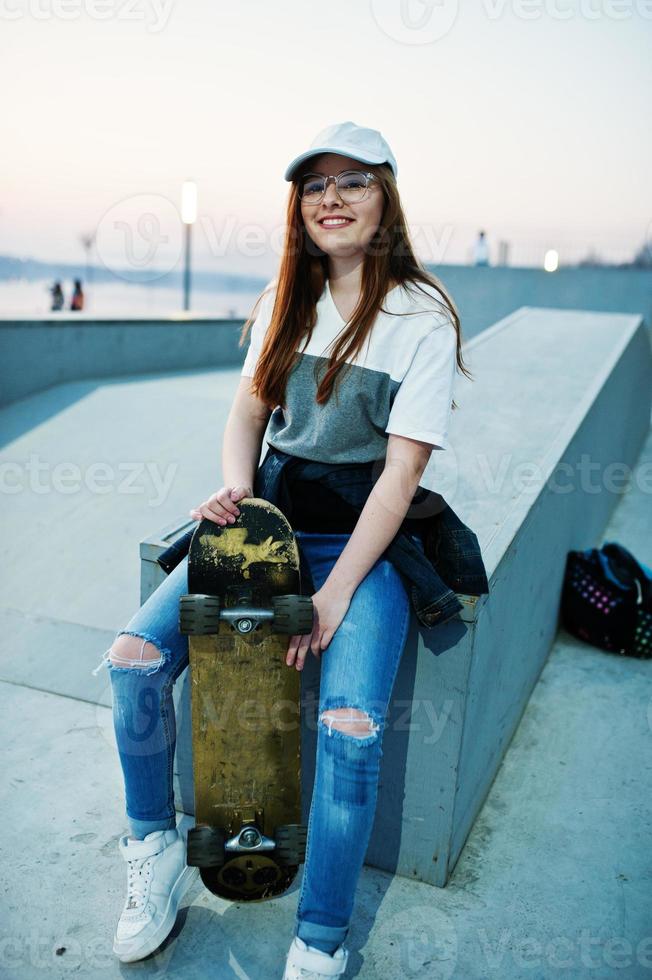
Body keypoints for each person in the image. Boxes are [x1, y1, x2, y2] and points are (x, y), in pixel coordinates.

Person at [93, 120, 479, 977]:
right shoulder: (284, 298)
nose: (332, 199)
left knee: (349, 729)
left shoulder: (422, 317)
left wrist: (335, 596)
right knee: (131, 660)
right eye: (315, 186)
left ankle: (321, 936)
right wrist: (236, 491)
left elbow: (399, 480)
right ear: (297, 206)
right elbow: (247, 416)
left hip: (363, 536)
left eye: (354, 182)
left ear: (387, 200)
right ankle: (155, 851)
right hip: (267, 518)